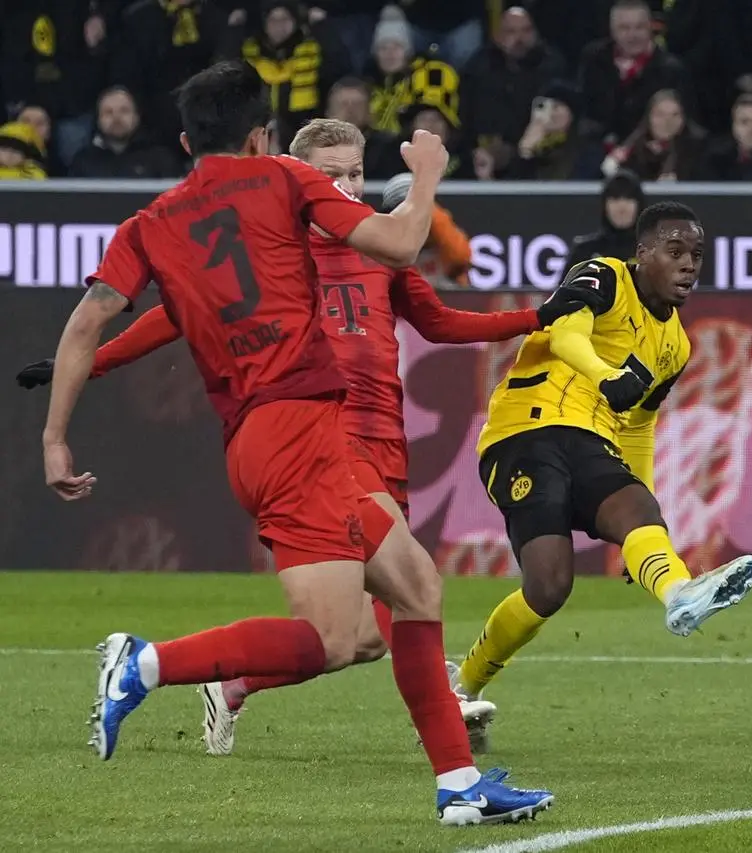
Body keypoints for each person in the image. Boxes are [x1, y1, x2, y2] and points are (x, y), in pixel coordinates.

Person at [38, 60, 551, 826]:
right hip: (296, 432)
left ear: (185, 140)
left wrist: (54, 437)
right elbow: (403, 243)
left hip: (276, 434)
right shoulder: (283, 180)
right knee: (336, 640)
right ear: (263, 136)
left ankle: (459, 787)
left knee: (416, 587)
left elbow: (88, 324)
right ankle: (143, 663)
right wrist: (428, 174)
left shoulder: (148, 224)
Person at [449, 201, 752, 749]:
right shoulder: (602, 275)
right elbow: (568, 338)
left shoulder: (676, 345)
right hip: (526, 430)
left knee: (640, 513)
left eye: (697, 255)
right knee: (549, 587)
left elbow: (640, 425)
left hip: (591, 443)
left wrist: (640, 492)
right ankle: (463, 685)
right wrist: (607, 374)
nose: (689, 265)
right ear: (642, 255)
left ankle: (678, 593)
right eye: (674, 252)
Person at [566, 170, 646, 268]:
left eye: (628, 199)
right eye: (615, 199)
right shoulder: (584, 252)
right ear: (604, 205)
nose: (622, 207)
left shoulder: (652, 253)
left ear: (639, 205)